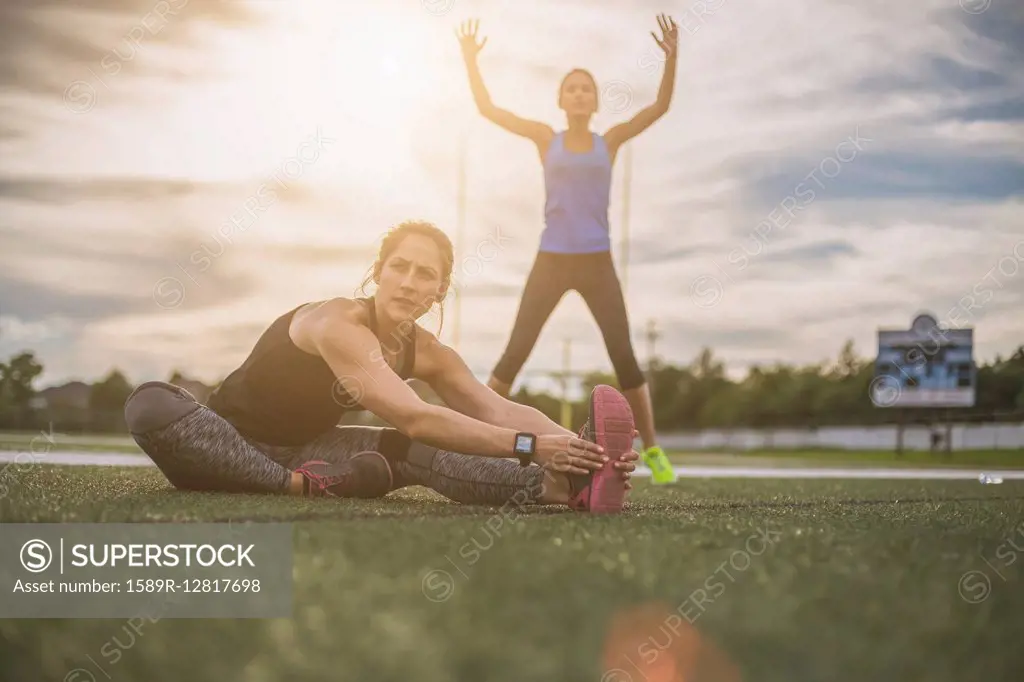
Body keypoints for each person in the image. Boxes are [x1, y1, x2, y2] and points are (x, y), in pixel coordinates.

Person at [123, 220, 640, 514]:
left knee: (409, 451)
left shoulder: (430, 351)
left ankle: (562, 490)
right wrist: (531, 447)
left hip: (309, 451)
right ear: (378, 272)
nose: (410, 283)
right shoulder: (337, 322)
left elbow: (495, 409)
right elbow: (416, 415)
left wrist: (578, 452)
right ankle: (298, 487)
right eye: (400, 267)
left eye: (426, 275)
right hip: (229, 443)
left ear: (440, 290)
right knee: (150, 402)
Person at [455, 15, 680, 484]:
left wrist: (671, 59)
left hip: (597, 261)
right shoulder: (545, 138)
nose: (580, 94)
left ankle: (655, 452)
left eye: (587, 89)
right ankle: (474, 437)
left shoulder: (610, 141)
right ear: (561, 100)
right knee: (514, 353)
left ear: (595, 101)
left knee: (626, 358)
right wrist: (471, 61)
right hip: (551, 259)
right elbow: (489, 109)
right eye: (572, 89)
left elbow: (659, 107)